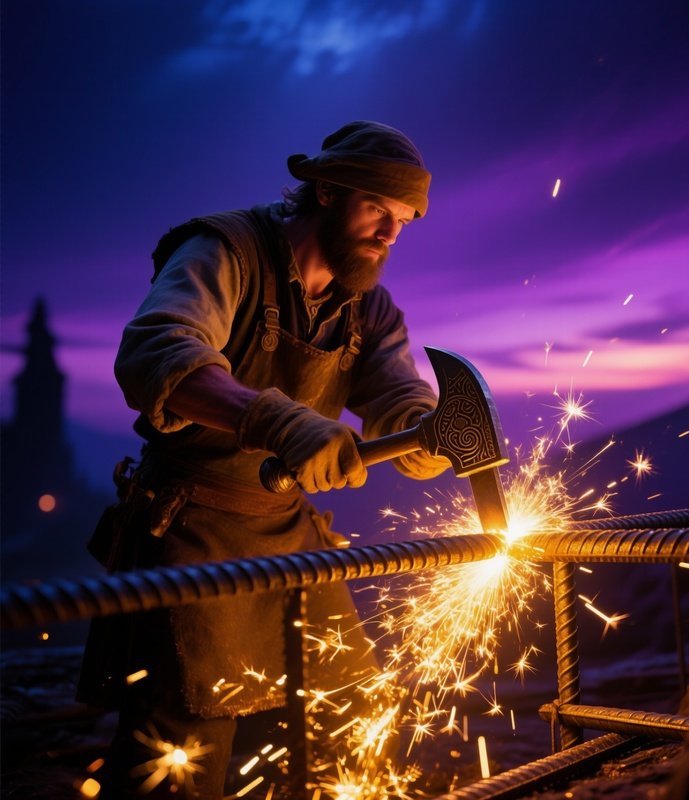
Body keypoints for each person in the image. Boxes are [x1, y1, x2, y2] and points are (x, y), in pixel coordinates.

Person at [77, 121, 449, 798]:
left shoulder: (369, 309)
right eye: (377, 210)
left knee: (349, 720)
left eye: (402, 221)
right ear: (327, 191)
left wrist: (427, 430)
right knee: (183, 757)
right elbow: (157, 352)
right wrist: (274, 418)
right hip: (192, 531)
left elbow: (397, 390)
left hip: (289, 536)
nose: (390, 235)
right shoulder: (223, 253)